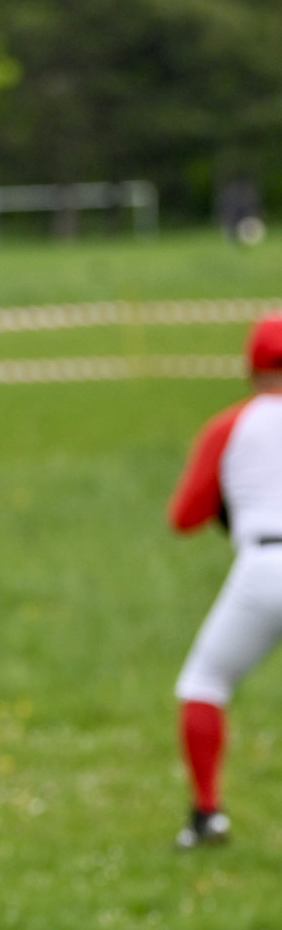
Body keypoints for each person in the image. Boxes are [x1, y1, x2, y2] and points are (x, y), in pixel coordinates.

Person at [168, 312, 282, 847]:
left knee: (204, 684)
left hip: (261, 566)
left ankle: (207, 814)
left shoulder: (231, 426)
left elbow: (184, 516)